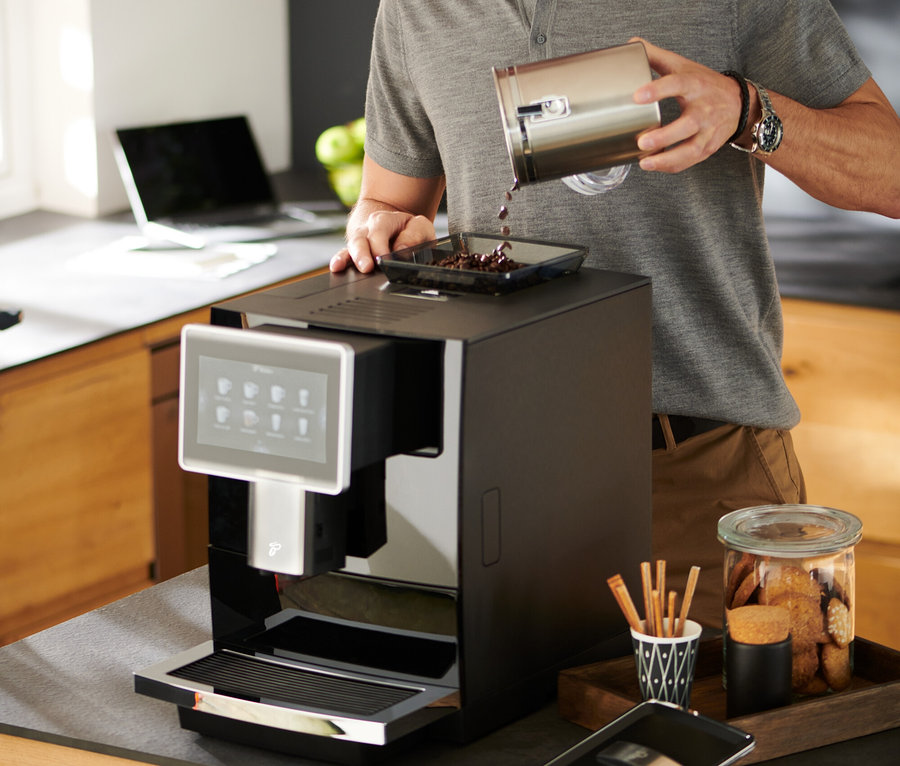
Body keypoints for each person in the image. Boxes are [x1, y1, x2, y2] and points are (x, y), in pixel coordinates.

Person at [329, 1, 900, 625]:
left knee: (733, 720)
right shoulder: (418, 10)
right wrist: (379, 229)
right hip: (494, 481)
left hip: (696, 478)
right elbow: (386, 200)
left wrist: (746, 109)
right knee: (502, 725)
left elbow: (890, 173)